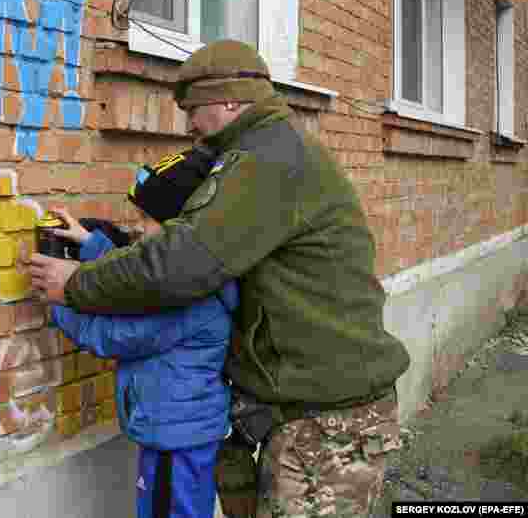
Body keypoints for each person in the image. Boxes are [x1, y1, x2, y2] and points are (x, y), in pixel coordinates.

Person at [28, 40, 411, 518]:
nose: (189, 124)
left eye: (193, 108)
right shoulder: (265, 151)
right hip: (308, 409)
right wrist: (94, 246)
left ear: (229, 100)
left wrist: (75, 285)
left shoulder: (266, 160)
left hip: (326, 420)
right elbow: (184, 251)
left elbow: (181, 262)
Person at [46, 147, 238, 518]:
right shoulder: (186, 274)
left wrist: (59, 301)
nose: (139, 227)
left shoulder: (190, 295)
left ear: (182, 228)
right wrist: (91, 245)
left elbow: (115, 336)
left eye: (148, 218)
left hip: (176, 440)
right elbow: (137, 277)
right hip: (176, 430)